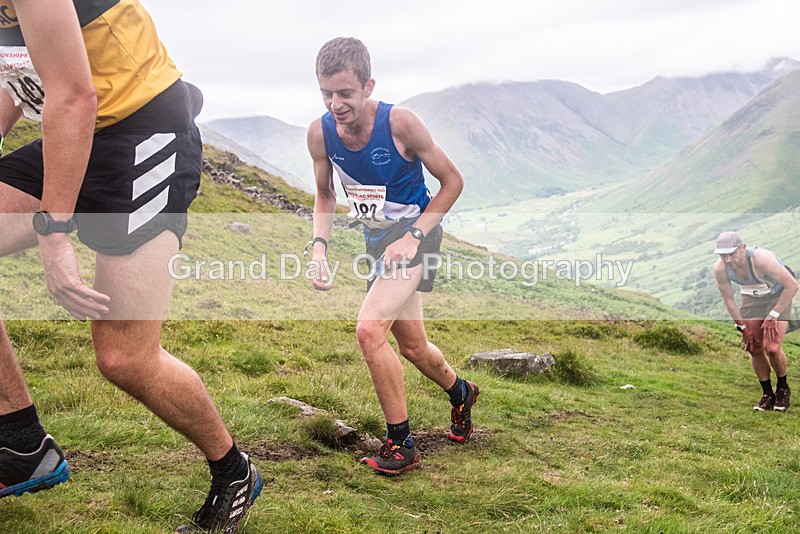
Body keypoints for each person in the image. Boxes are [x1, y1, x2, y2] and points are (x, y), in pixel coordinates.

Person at [0, 1, 261, 531]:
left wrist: (54, 234)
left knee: (124, 356)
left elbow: (75, 95)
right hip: (75, 133)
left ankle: (234, 470)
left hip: (145, 134)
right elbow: (15, 78)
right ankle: (22, 442)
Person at [306, 37, 479, 476]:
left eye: (346, 93)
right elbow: (325, 195)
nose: (335, 104)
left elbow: (452, 181)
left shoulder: (400, 123)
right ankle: (461, 392)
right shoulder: (320, 133)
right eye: (326, 93)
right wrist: (319, 248)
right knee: (414, 347)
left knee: (369, 331)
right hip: (378, 244)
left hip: (417, 237)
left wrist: (415, 236)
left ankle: (401, 444)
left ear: (368, 86)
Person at [713, 231, 798, 411]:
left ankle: (782, 388)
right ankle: (767, 394)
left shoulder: (761, 260)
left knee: (772, 347)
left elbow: (792, 285)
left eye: (732, 254)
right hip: (752, 296)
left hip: (779, 294)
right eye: (723, 255)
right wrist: (742, 327)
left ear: (743, 248)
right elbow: (728, 299)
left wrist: (774, 314)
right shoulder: (720, 268)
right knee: (753, 346)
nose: (728, 260)